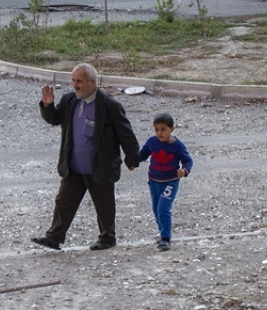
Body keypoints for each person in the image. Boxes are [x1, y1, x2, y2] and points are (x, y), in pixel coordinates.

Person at [31, 64, 141, 251]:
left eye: (79, 81)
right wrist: (47, 105)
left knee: (104, 205)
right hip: (74, 166)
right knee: (63, 202)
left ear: (92, 82)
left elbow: (126, 134)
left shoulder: (109, 106)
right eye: (73, 80)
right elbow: (54, 119)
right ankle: (54, 237)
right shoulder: (69, 100)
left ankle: (107, 238)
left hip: (100, 165)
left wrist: (132, 158)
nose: (75, 85)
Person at [133, 113, 193, 251]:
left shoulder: (177, 146)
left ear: (172, 129)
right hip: (154, 181)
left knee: (163, 209)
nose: (160, 133)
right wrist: (133, 162)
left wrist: (184, 170)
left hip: (170, 182)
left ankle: (166, 238)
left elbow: (188, 160)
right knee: (156, 209)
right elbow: (143, 154)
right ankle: (162, 233)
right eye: (157, 129)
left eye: (163, 129)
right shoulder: (151, 142)